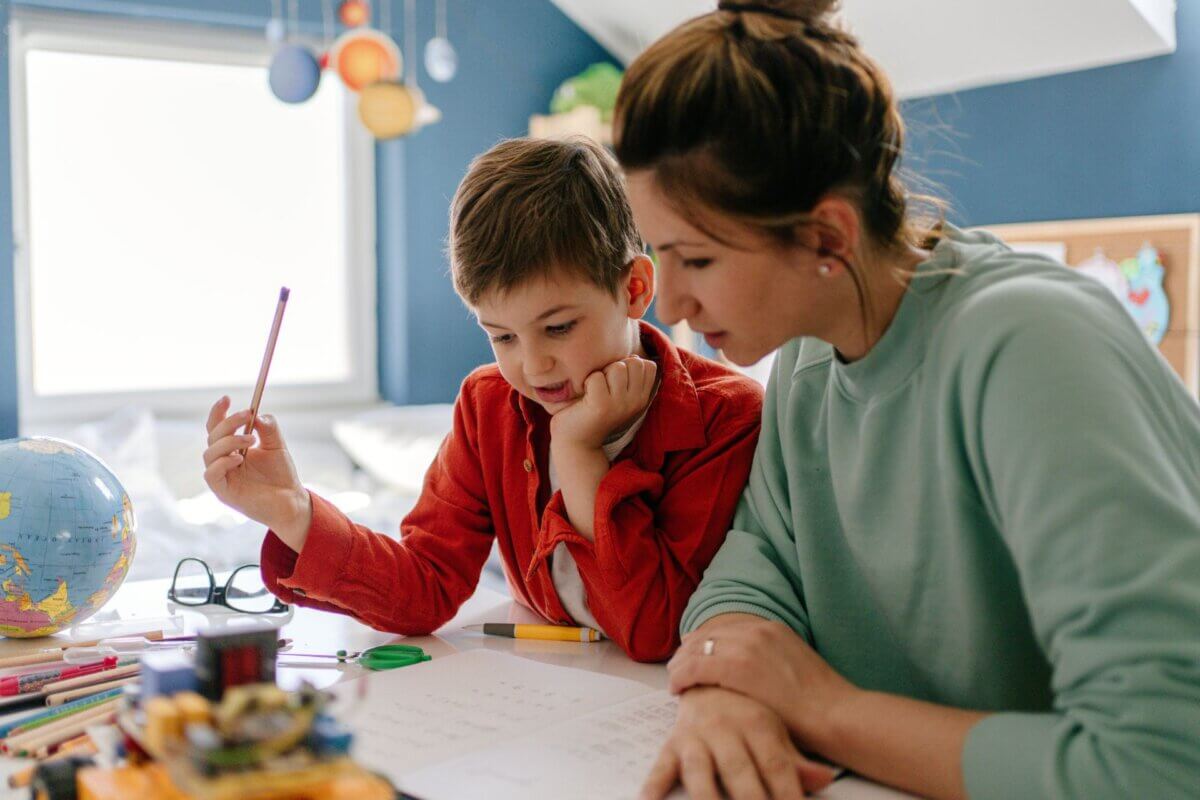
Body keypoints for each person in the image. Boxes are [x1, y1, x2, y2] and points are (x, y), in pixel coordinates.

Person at [611, 1, 1200, 797]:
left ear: (828, 238)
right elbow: (752, 570)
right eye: (659, 253)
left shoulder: (1030, 348)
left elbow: (1163, 763)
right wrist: (722, 690)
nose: (671, 302)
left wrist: (823, 708)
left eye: (698, 259)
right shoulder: (810, 358)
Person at [202, 137, 764, 663]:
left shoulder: (727, 415)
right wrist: (293, 511)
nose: (533, 366)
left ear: (635, 288)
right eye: (502, 336)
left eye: (559, 327)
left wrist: (579, 453)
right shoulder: (488, 404)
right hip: (545, 691)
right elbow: (426, 586)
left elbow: (654, 630)